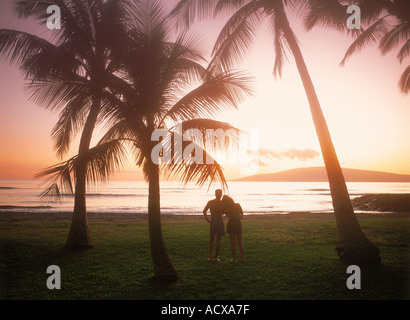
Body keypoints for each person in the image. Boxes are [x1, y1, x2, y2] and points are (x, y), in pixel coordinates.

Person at [203, 189, 225, 261]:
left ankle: (210, 257)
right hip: (219, 221)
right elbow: (226, 212)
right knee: (218, 241)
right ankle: (215, 258)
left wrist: (207, 220)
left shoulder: (211, 202)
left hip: (213, 221)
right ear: (220, 194)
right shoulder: (222, 203)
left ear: (215, 194)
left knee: (211, 240)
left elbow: (204, 211)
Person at [222, 195, 245, 262]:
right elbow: (242, 214)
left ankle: (234, 258)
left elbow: (227, 215)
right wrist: (239, 219)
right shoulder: (237, 205)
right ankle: (243, 258)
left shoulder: (227, 208)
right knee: (239, 241)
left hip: (231, 223)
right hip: (237, 223)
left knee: (233, 242)